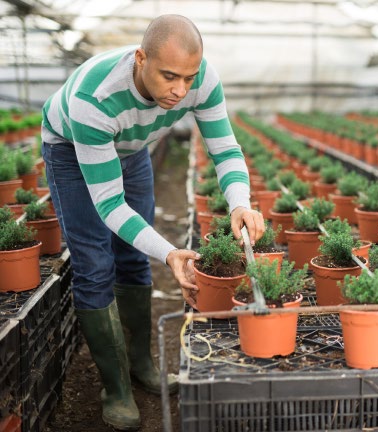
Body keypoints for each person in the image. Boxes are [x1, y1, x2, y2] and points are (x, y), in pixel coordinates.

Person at [41, 14, 264, 431]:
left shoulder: (201, 80)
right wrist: (170, 252)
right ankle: (116, 387)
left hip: (132, 149)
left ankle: (142, 362)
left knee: (132, 258)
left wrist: (240, 204)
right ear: (140, 59)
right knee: (93, 263)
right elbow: (110, 208)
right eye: (169, 76)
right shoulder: (96, 97)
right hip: (72, 150)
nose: (180, 90)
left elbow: (225, 149)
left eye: (189, 77)